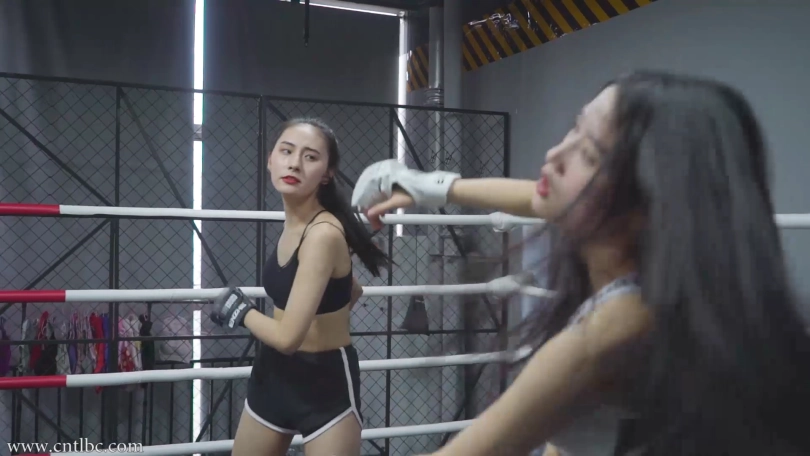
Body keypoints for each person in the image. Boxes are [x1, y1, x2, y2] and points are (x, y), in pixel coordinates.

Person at [352, 71, 810, 456]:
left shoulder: (609, 334)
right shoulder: (675, 288)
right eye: (574, 129)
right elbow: (536, 196)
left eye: (589, 153)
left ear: (650, 201)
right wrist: (426, 185)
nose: (555, 155)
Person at [211, 117, 387, 456]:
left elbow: (288, 338)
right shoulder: (295, 223)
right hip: (274, 375)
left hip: (324, 383)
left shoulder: (322, 234)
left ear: (327, 173)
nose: (294, 163)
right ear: (270, 160)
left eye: (310, 157)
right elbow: (352, 290)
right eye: (287, 151)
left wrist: (242, 312)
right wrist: (321, 316)